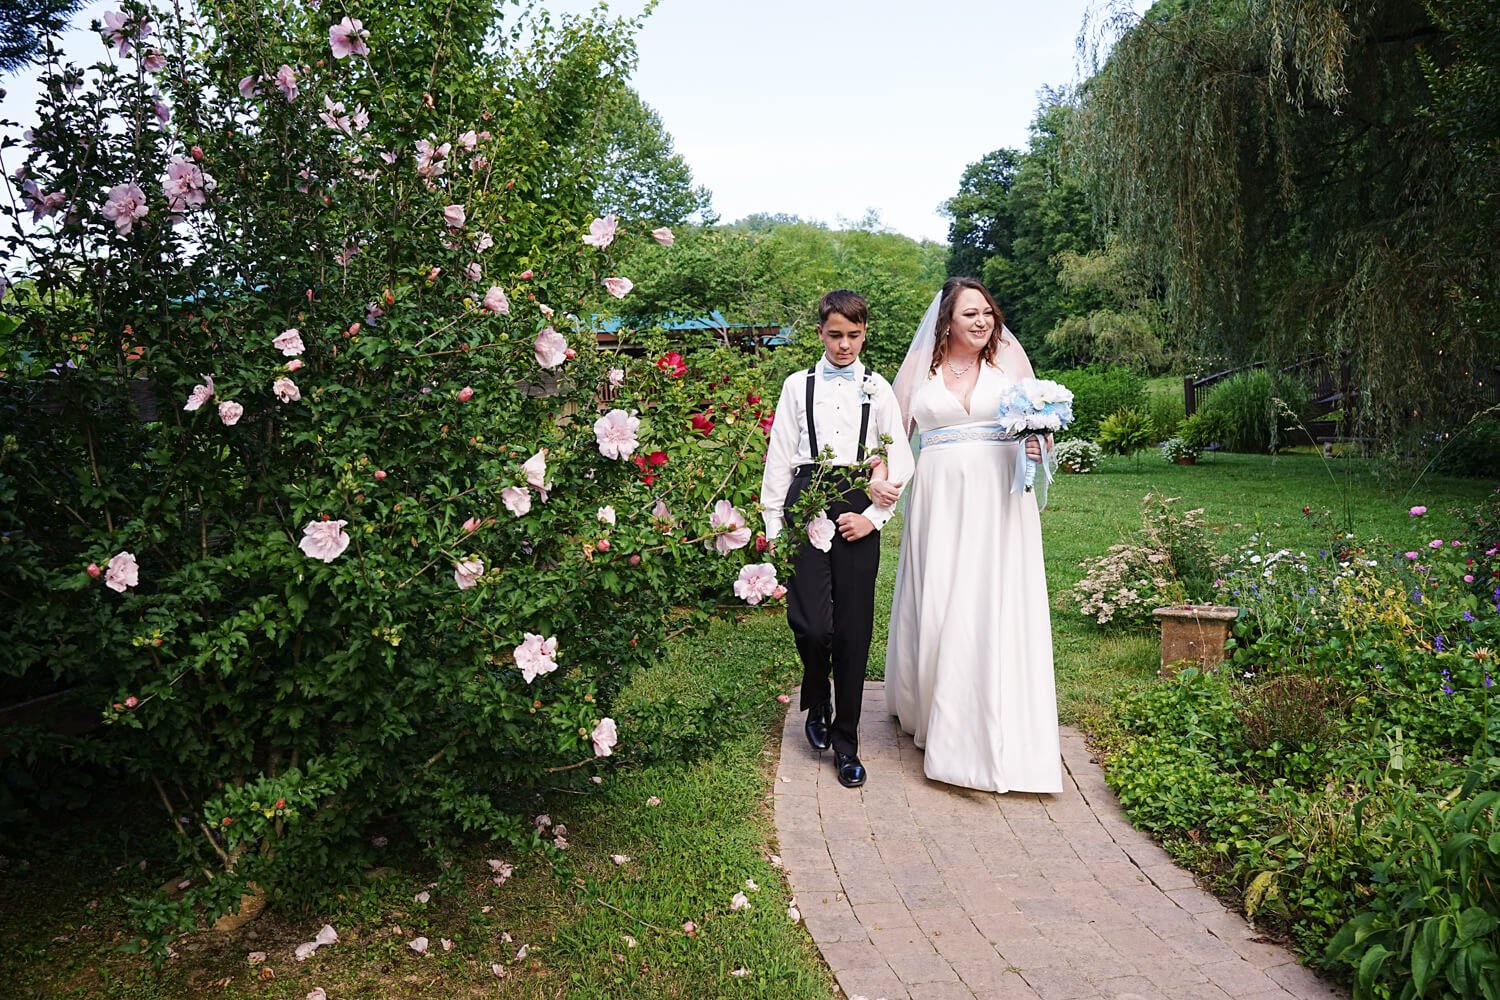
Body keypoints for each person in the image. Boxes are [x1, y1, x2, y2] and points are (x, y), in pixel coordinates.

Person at [878, 276, 1062, 794]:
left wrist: (1038, 449)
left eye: (986, 312)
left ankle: (994, 713)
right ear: (947, 322)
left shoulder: (1009, 368)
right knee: (942, 596)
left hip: (1000, 501)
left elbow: (1041, 432)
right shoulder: (921, 369)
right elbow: (892, 439)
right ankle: (933, 706)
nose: (982, 322)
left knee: (991, 600)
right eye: (969, 314)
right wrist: (880, 479)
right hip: (939, 500)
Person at [761, 289, 914, 788]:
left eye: (853, 335)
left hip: (857, 501)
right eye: (835, 335)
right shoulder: (796, 386)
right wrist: (774, 527)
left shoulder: (878, 387)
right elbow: (780, 457)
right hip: (806, 497)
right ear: (820, 332)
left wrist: (873, 517)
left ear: (864, 333)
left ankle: (846, 743)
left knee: (852, 631)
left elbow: (902, 461)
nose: (844, 345)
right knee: (809, 624)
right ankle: (815, 692)